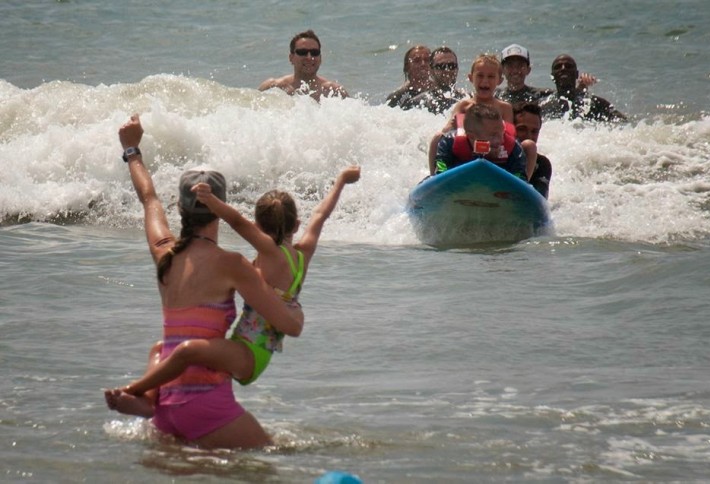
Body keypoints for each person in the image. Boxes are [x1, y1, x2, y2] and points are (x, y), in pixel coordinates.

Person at [104, 114, 305, 450]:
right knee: (276, 463)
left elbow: (149, 199)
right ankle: (135, 391)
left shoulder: (163, 253)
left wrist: (132, 150)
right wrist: (293, 307)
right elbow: (288, 325)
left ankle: (143, 398)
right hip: (204, 406)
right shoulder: (233, 265)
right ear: (219, 206)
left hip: (165, 409)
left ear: (181, 209)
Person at [114, 165, 361, 400]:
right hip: (261, 350)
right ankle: (147, 401)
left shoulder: (270, 251)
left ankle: (134, 389)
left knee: (186, 352)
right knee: (163, 351)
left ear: (258, 227)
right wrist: (341, 181)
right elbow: (320, 215)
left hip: (248, 350)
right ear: (296, 225)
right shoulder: (304, 254)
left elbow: (238, 223)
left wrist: (212, 201)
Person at [432, 102, 527, 181]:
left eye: (502, 134)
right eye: (493, 135)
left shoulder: (513, 147)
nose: (501, 140)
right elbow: (441, 171)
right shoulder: (449, 143)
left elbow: (520, 177)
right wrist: (478, 156)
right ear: (472, 137)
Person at [258, 29, 348, 101]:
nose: (309, 57)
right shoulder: (273, 87)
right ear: (291, 58)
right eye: (303, 52)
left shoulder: (334, 92)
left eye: (314, 52)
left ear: (320, 58)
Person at [540, 54, 626, 122]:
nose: (563, 68)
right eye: (558, 67)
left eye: (568, 66)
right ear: (552, 76)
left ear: (577, 74)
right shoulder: (544, 106)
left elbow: (624, 122)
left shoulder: (594, 103)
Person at [402, 46, 468, 114]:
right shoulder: (416, 103)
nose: (447, 70)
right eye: (441, 66)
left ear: (457, 69)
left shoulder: (467, 99)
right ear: (431, 70)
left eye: (452, 66)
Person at [513, 102, 552, 199]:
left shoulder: (542, 164)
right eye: (522, 129)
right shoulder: (496, 156)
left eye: (534, 131)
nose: (529, 136)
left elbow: (540, 202)